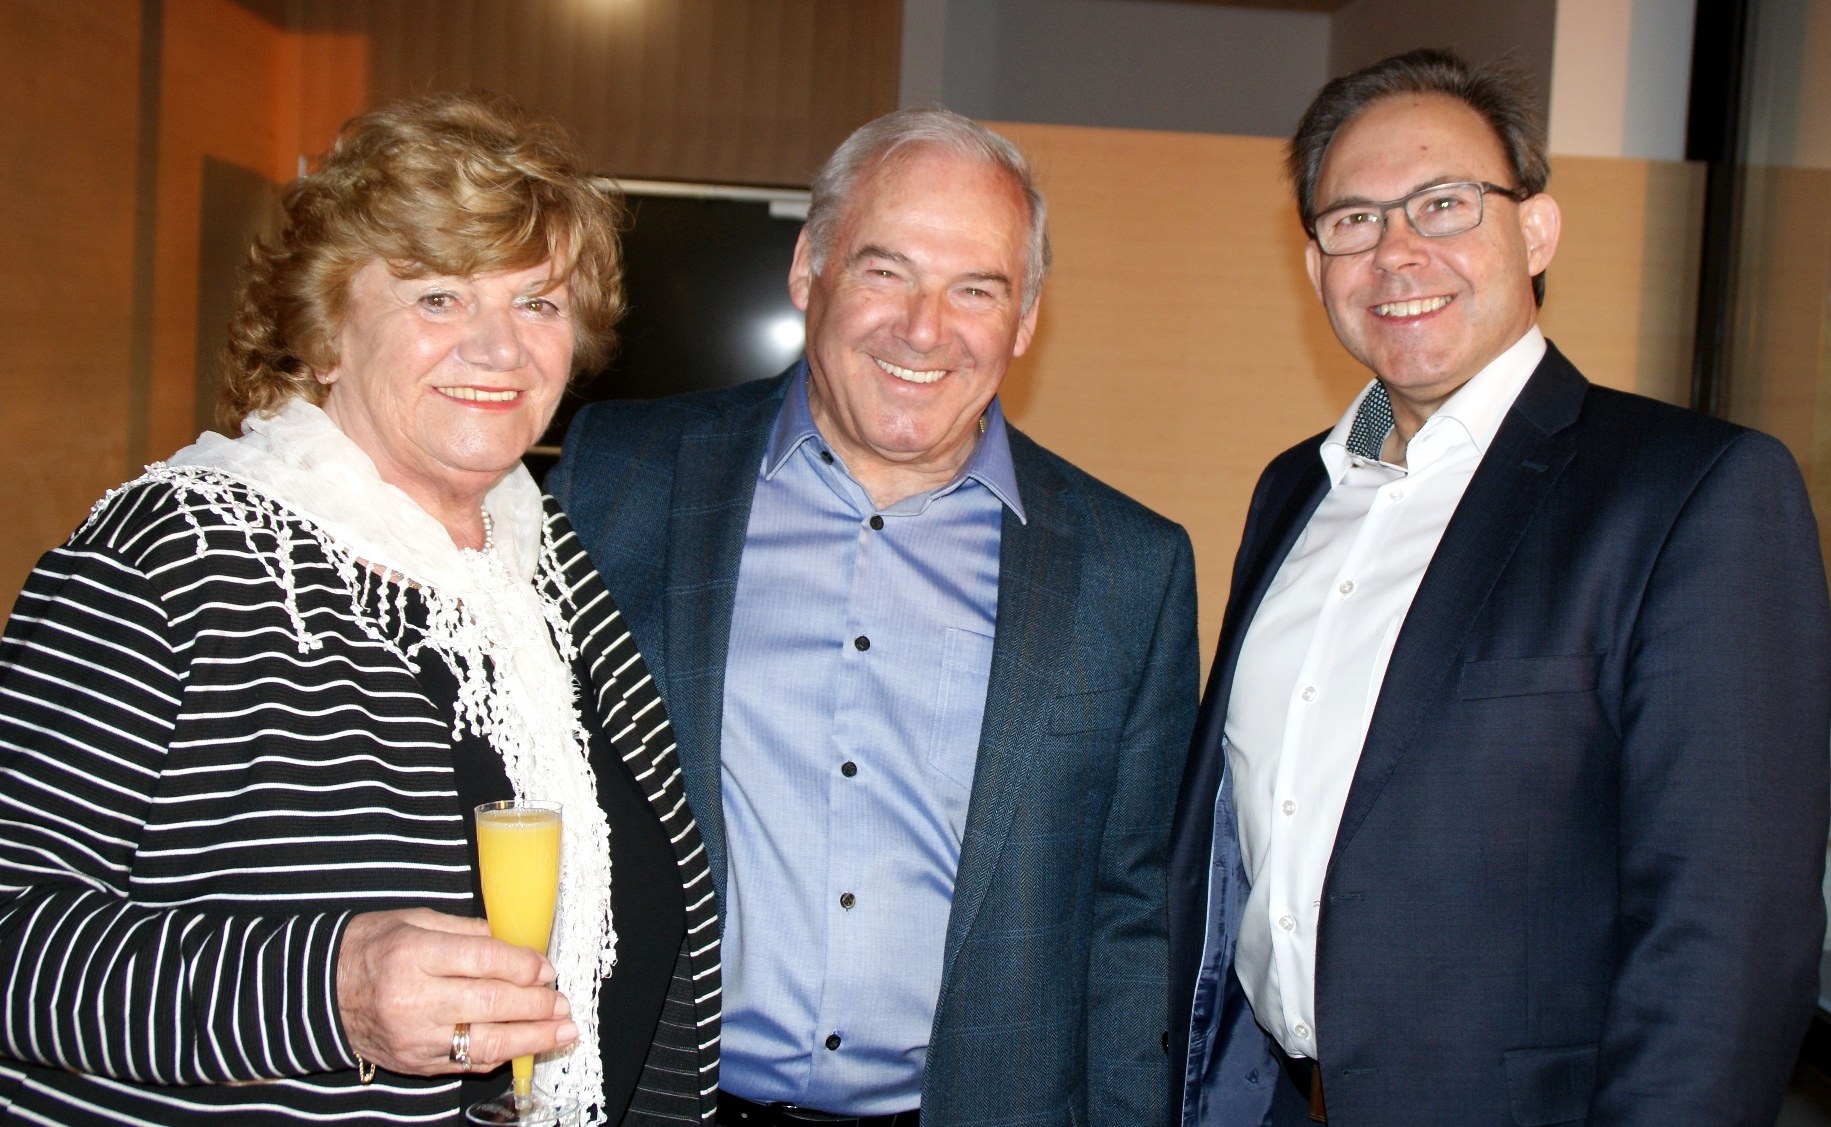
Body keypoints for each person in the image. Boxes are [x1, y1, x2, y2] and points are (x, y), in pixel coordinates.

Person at [0, 92, 719, 1125]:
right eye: (439, 297)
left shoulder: (542, 558)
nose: (499, 349)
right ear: (324, 330)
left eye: (538, 302)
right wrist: (324, 990)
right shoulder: (173, 553)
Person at [1169, 48, 1831, 1127]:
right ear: (1315, 265)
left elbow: (1730, 932)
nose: (1396, 251)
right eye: (1353, 219)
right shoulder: (1293, 490)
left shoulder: (1691, 492)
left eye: (1443, 204)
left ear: (1535, 231)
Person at [551, 107, 1194, 1125]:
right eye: (885, 270)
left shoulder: (1129, 569)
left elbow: (1134, 918)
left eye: (975, 288)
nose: (924, 329)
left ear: (1025, 318)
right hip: (661, 1099)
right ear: (809, 270)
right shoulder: (621, 477)